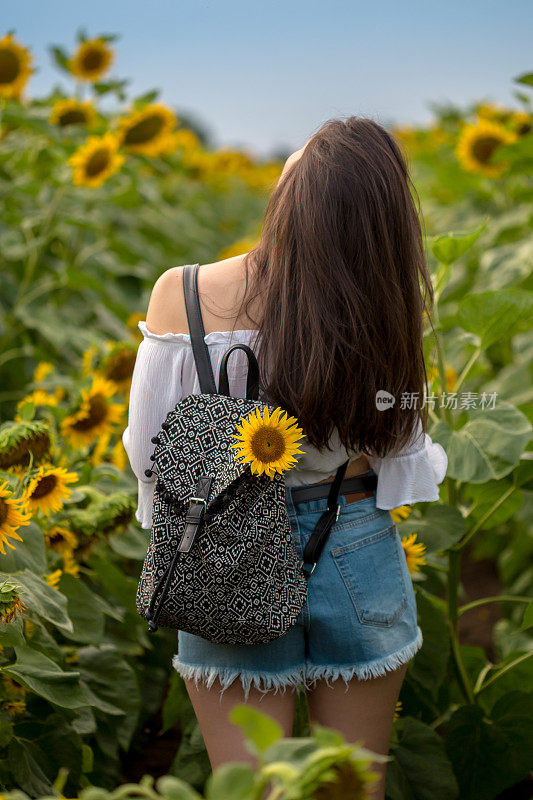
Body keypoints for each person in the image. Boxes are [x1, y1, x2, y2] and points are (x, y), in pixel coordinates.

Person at [123, 116, 448, 799]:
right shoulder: (385, 304)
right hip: (354, 539)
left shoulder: (183, 295)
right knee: (350, 789)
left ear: (284, 198)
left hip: (218, 547)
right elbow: (404, 454)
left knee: (251, 789)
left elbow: (151, 458)